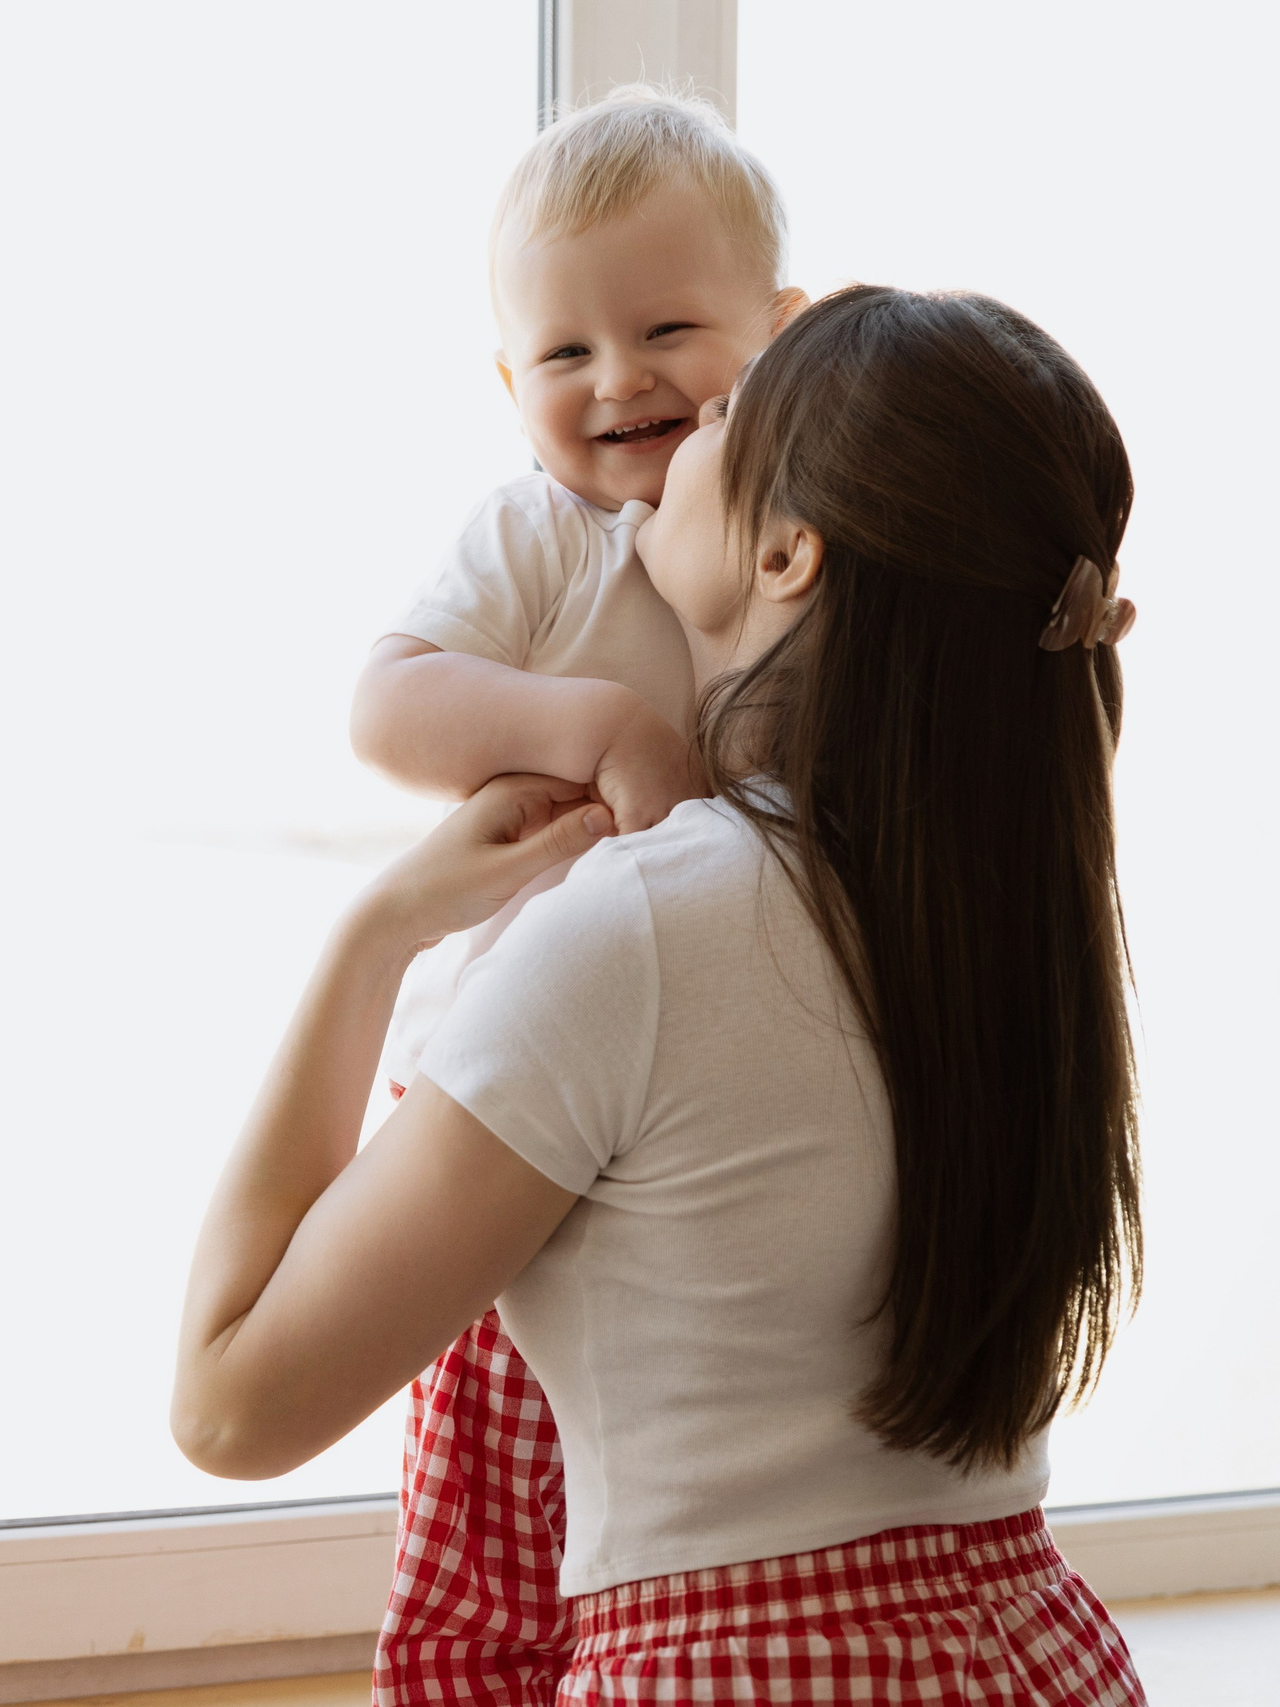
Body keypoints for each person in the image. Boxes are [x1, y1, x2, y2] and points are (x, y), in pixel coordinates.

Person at [173, 285, 1149, 1703]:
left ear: (788, 552)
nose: (687, 423)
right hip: (1034, 1656)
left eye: (729, 419)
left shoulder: (641, 931)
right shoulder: (1015, 925)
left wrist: (375, 934)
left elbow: (231, 1401)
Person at [346, 87, 804, 1700]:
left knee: (665, 1454)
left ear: (783, 333)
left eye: (670, 327)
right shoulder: (539, 539)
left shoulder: (796, 543)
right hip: (509, 1075)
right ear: (508, 383)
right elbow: (388, 702)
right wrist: (588, 724)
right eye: (563, 355)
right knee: (495, 1478)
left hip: (714, 1089)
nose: (619, 381)